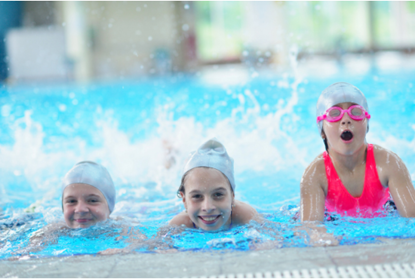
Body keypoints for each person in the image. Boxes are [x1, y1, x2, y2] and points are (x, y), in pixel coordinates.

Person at [301, 82, 415, 223]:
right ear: (322, 131)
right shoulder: (314, 175)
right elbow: (310, 231)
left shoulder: (389, 163)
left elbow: (412, 220)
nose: (346, 120)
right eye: (334, 114)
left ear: (367, 125)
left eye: (355, 112)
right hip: (333, 220)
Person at [168, 138, 260, 231]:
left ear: (232, 196)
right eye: (197, 196)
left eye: (218, 194)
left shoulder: (246, 215)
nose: (208, 208)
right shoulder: (179, 224)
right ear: (184, 200)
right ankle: (170, 154)